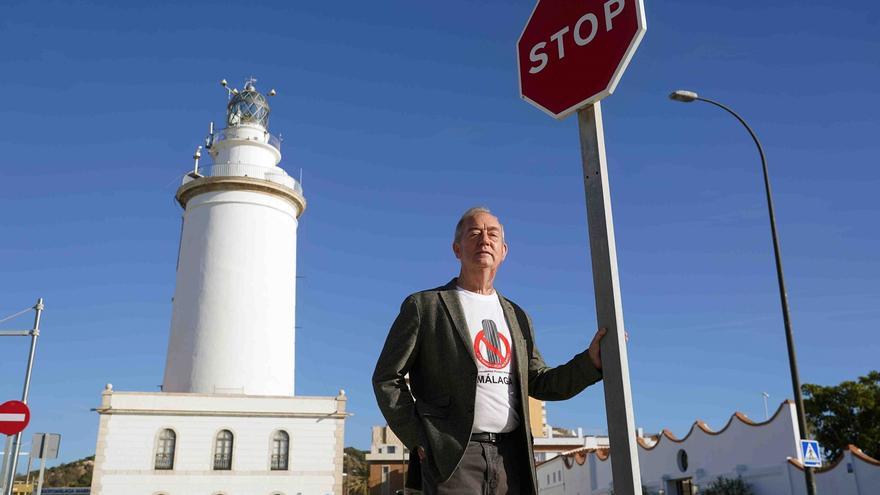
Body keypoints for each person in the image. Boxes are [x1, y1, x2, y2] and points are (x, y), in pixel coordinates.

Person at [372, 206, 609, 495]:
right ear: (457, 249)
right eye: (474, 233)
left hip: (512, 458)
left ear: (503, 250)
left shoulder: (518, 316)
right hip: (453, 456)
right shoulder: (425, 307)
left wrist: (589, 363)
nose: (484, 239)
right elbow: (386, 377)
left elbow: (538, 380)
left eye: (492, 234)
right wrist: (419, 438)